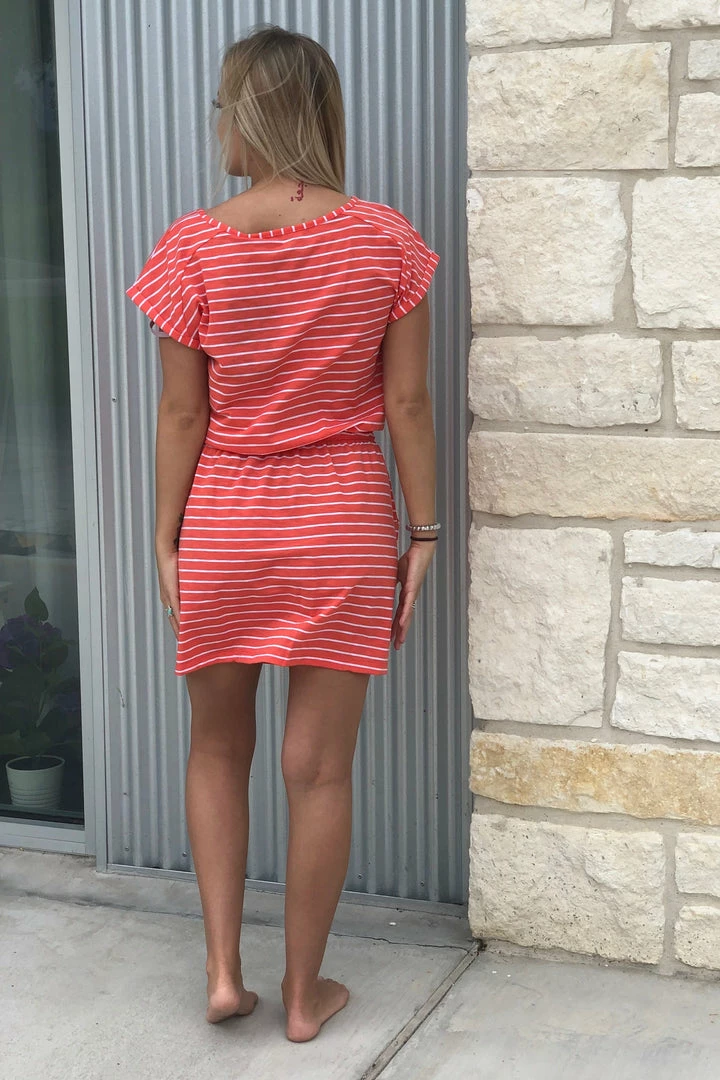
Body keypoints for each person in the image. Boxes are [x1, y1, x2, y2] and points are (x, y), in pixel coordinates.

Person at [126, 23, 440, 1044]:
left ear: (253, 115)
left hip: (226, 519)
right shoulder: (386, 240)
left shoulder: (193, 245)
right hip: (341, 520)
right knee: (319, 770)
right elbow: (408, 404)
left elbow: (184, 414)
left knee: (217, 747)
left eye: (223, 106)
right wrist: (425, 532)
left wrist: (166, 538)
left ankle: (225, 973)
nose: (215, 125)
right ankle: (304, 997)